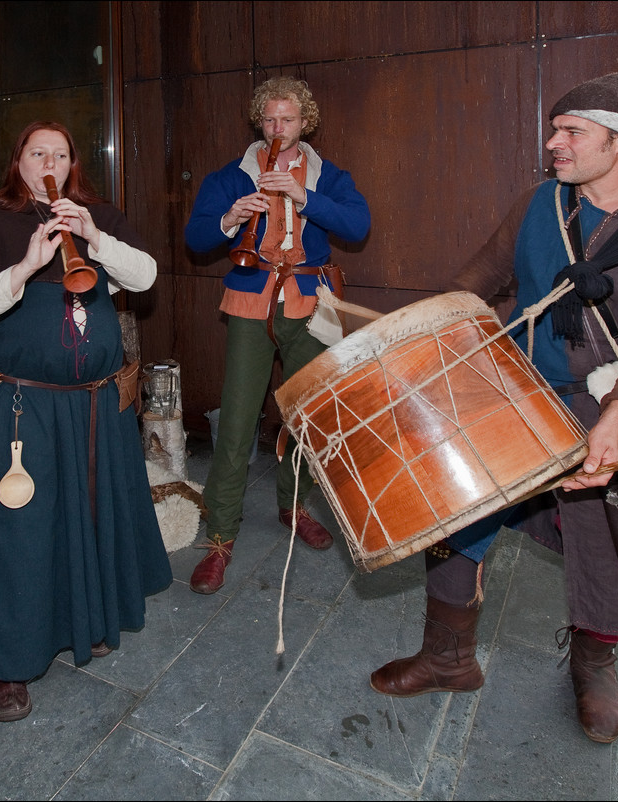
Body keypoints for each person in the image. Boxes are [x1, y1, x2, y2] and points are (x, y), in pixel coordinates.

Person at [369, 72, 618, 744]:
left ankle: (594, 667)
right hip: (515, 394)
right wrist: (430, 331)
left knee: (613, 550)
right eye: (556, 129)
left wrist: (616, 423)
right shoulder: (540, 206)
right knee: (454, 515)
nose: (553, 142)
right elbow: (481, 276)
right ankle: (448, 659)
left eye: (571, 131)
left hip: (607, 407)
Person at [0, 121, 172, 722]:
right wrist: (24, 266)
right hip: (27, 408)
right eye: (38, 152)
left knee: (88, 513)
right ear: (18, 160)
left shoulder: (95, 216)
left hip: (96, 404)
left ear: (74, 164)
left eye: (61, 154)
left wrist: (92, 236)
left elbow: (144, 278)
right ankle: (6, 663)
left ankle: (85, 620)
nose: (50, 162)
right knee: (20, 529)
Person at [184, 76, 371, 595]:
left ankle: (293, 507)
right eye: (269, 120)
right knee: (238, 416)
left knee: (306, 417)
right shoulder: (230, 176)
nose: (278, 129)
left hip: (309, 304)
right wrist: (229, 217)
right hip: (250, 302)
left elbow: (357, 226)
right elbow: (194, 238)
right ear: (258, 122)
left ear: (304, 122)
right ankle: (220, 536)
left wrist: (305, 197)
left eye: (287, 120)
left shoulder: (328, 174)